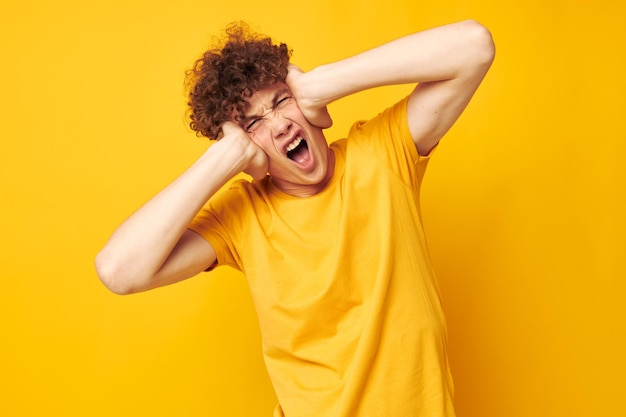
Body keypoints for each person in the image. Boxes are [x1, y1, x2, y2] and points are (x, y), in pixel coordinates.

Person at [95, 19, 495, 417]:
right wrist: (223, 158)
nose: (280, 124)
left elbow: (474, 47)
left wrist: (322, 84)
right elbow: (118, 270)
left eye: (281, 101)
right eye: (253, 124)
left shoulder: (381, 153)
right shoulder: (241, 216)